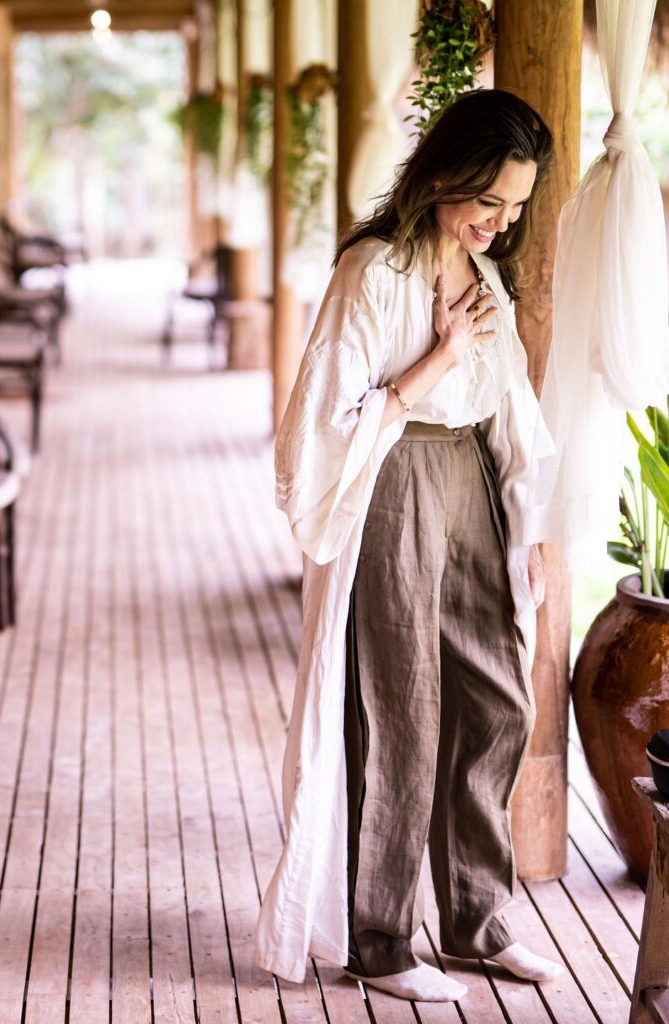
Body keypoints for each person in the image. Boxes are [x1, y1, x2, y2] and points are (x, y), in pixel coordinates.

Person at [254, 90, 563, 1001]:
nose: (499, 225)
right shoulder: (373, 270)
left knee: (495, 692)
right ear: (445, 178)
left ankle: (475, 915)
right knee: (399, 709)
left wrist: (533, 529)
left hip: (473, 480)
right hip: (391, 483)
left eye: (514, 209)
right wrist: (434, 359)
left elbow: (511, 402)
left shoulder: (486, 274)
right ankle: (380, 938)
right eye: (488, 203)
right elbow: (320, 423)